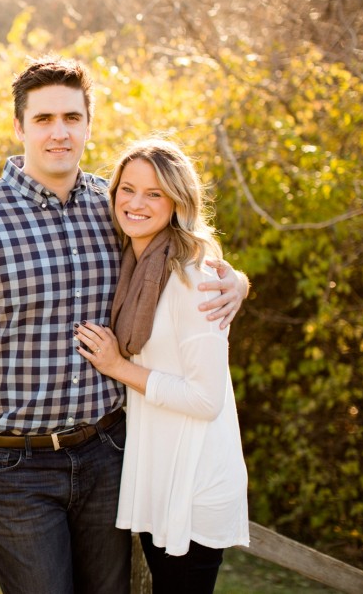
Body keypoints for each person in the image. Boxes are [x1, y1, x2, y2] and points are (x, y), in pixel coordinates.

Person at [0, 56, 248, 594]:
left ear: (88, 124)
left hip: (107, 453)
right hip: (12, 468)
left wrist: (236, 281)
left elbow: (187, 249)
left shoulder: (115, 208)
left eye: (72, 117)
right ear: (19, 127)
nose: (59, 132)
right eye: (43, 119)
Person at [74, 137, 250, 593]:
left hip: (192, 480)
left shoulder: (194, 276)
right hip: (158, 471)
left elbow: (205, 399)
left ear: (177, 202)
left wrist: (117, 366)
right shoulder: (135, 262)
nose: (135, 203)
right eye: (126, 189)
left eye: (154, 193)